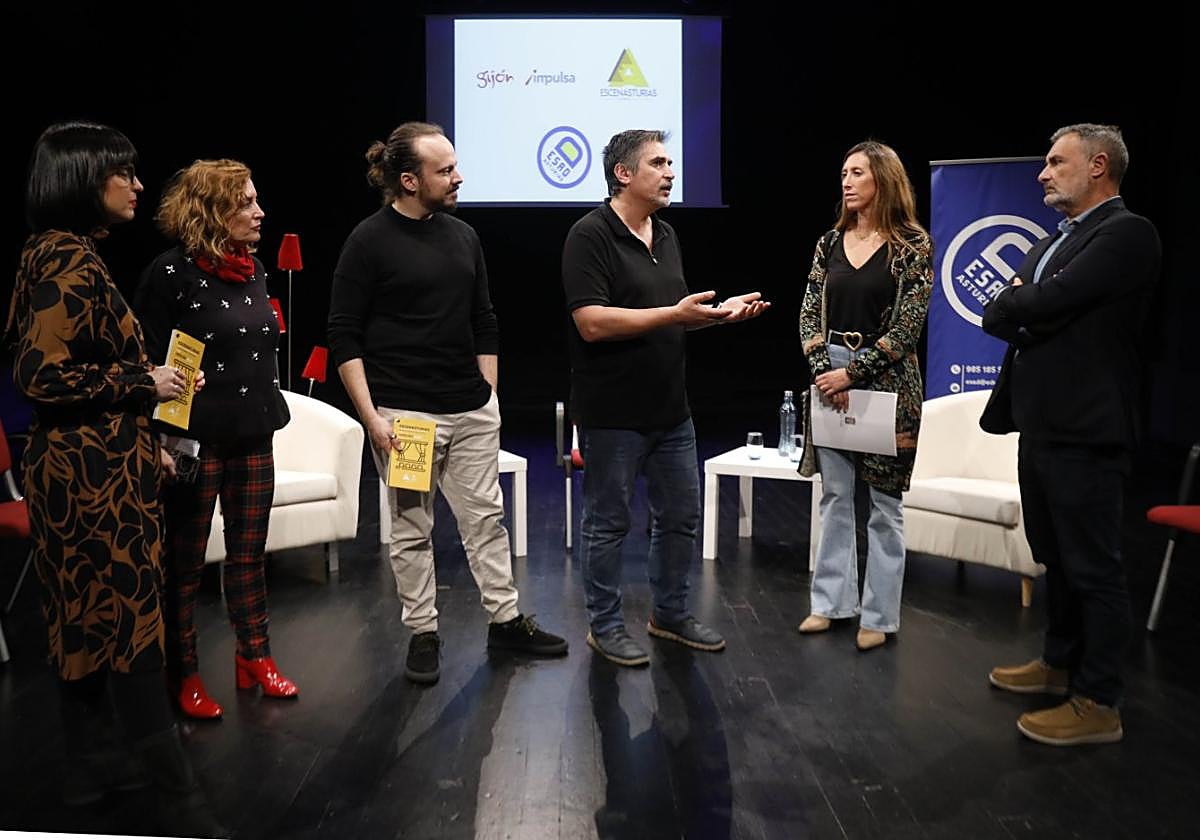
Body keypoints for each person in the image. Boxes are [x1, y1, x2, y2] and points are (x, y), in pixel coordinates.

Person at [6, 122, 224, 836]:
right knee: (130, 625)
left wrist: (141, 438)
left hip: (91, 466)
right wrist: (145, 379)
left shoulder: (59, 254)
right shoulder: (67, 259)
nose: (136, 185)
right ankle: (179, 800)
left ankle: (89, 774)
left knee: (85, 626)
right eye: (121, 173)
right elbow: (41, 374)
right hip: (89, 481)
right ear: (82, 180)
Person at [328, 121, 567, 686]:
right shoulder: (369, 240)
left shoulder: (463, 236)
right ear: (409, 181)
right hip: (406, 420)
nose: (459, 177)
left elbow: (485, 318)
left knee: (487, 519)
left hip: (471, 409)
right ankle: (424, 632)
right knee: (412, 527)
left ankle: (505, 622)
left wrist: (489, 394)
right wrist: (372, 418)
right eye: (445, 170)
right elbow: (344, 334)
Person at [980, 124, 1161, 746]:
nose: (1043, 173)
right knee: (1055, 555)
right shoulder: (1061, 239)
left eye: (1056, 163)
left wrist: (1031, 301)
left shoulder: (1127, 234)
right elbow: (999, 311)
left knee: (1094, 567)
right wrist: (1031, 302)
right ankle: (1059, 664)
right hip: (1044, 425)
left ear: (1099, 166)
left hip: (1089, 428)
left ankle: (1098, 699)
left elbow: (1044, 301)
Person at [562, 128, 769, 667]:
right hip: (612, 415)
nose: (671, 172)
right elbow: (592, 323)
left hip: (671, 411)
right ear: (623, 174)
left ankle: (669, 614)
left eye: (671, 162)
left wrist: (716, 315)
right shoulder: (589, 235)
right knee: (608, 524)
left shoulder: (668, 235)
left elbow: (669, 320)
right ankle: (605, 626)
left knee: (680, 517)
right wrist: (676, 314)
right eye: (658, 163)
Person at [133, 159, 296, 720]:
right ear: (211, 211)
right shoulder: (169, 275)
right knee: (185, 565)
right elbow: (145, 360)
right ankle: (185, 673)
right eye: (246, 202)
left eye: (256, 200)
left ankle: (255, 657)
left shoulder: (251, 267)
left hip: (253, 434)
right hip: (192, 441)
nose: (259, 211)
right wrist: (155, 434)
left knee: (249, 556)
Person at [796, 140, 933, 652]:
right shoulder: (829, 242)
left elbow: (906, 329)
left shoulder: (912, 246)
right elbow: (809, 311)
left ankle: (878, 614)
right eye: (843, 172)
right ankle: (830, 604)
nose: (846, 182)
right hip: (830, 373)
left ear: (883, 179)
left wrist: (852, 374)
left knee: (884, 505)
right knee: (834, 496)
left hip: (886, 380)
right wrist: (821, 367)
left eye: (857, 173)